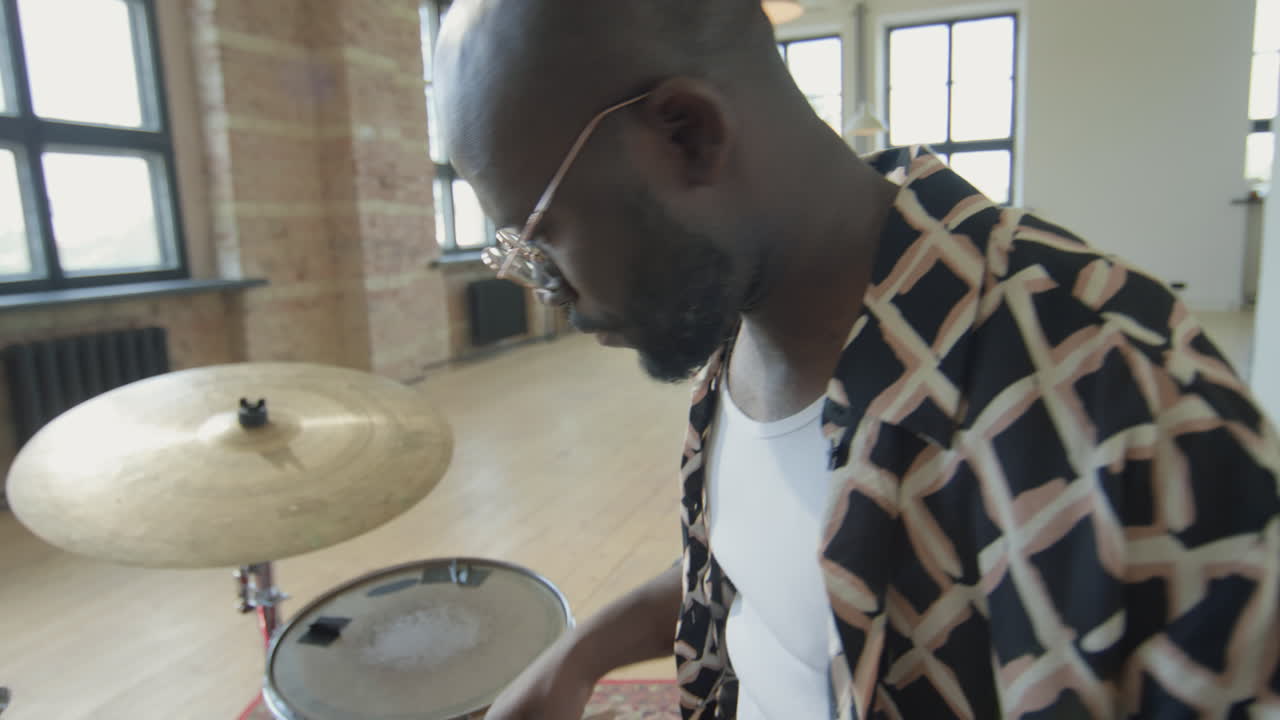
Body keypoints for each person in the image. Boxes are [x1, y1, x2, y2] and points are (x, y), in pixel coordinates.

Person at [433, 0, 1280, 717]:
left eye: (538, 242)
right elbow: (767, 568)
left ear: (688, 137)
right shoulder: (742, 305)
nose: (547, 293)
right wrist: (575, 657)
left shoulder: (1118, 400)